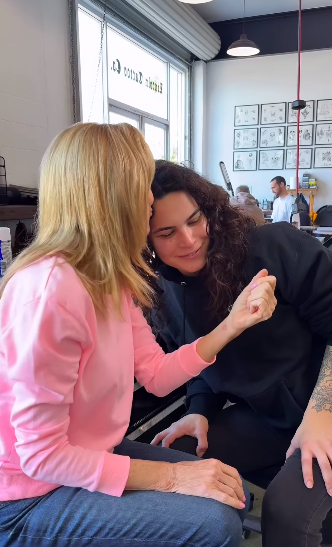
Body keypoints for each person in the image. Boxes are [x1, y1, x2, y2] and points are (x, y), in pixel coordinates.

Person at [0, 123, 277, 547]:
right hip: (28, 497)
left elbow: (155, 373)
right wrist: (172, 476)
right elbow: (42, 457)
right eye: (141, 190)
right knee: (213, 523)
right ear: (111, 200)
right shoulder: (49, 292)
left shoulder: (110, 278)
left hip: (91, 456)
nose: (151, 199)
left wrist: (233, 323)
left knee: (230, 495)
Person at [148, 160, 332, 547]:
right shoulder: (164, 293)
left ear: (208, 209)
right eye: (166, 232)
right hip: (269, 421)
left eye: (195, 219)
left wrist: (321, 413)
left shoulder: (275, 248)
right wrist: (198, 409)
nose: (189, 239)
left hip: (322, 409)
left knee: (286, 512)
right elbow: (197, 360)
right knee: (174, 458)